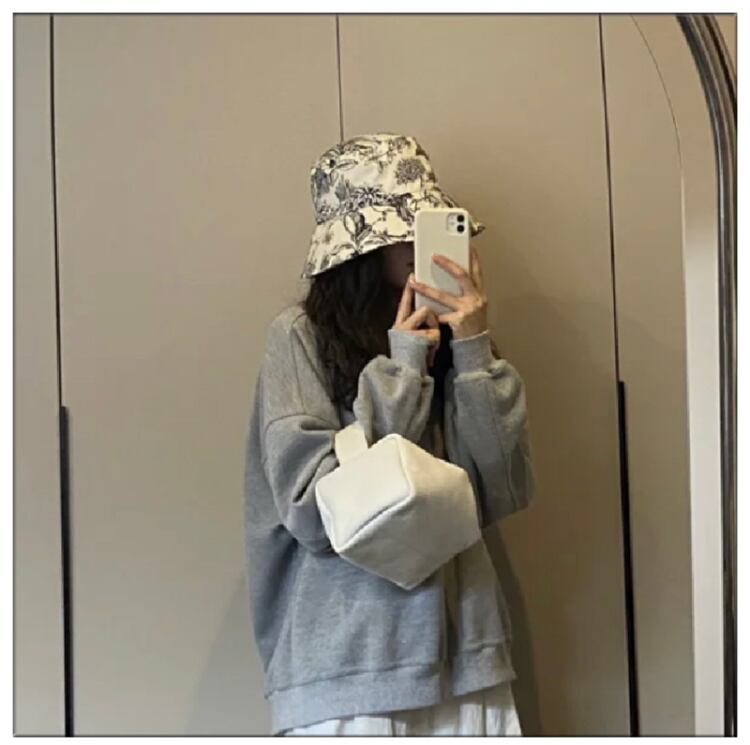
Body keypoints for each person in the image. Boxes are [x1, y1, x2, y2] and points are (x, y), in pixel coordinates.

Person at [243, 133, 535, 735]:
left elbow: (500, 493)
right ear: (359, 250)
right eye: (401, 229)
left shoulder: (456, 342)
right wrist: (403, 369)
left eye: (424, 226)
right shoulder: (298, 337)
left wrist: (473, 350)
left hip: (469, 661)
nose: (415, 244)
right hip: (349, 673)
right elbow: (313, 511)